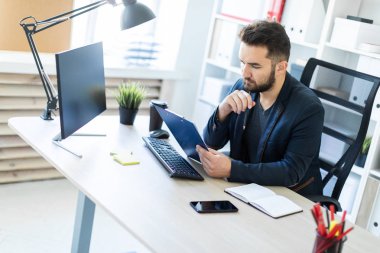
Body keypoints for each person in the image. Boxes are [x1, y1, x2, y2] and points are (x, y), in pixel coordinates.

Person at [196, 20, 324, 196]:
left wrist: (232, 169)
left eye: (255, 66)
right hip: (245, 188)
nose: (244, 73)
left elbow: (291, 172)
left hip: (287, 198)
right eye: (242, 62)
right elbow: (212, 142)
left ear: (281, 67)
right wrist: (223, 110)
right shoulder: (244, 86)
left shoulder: (308, 108)